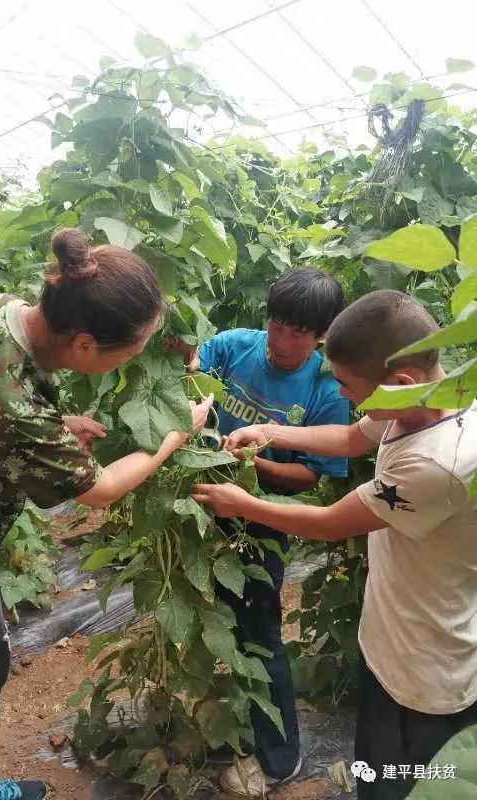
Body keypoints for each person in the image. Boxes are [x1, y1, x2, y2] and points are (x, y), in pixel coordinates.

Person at [0, 228, 213, 800]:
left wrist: (56, 428)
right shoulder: (14, 405)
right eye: (131, 351)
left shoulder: (0, 310)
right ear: (85, 344)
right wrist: (176, 433)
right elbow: (101, 491)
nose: (133, 358)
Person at [192, 290, 477, 800]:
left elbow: (328, 523)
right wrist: (268, 429)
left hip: (426, 667)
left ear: (400, 381)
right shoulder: (420, 398)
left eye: (347, 385)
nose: (341, 393)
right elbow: (350, 439)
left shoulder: (438, 463)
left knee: (411, 782)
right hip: (393, 635)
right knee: (375, 767)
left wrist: (242, 502)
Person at [168, 268, 349, 797]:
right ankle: (225, 725)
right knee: (202, 614)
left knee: (259, 631)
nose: (282, 342)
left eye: (299, 333)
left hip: (260, 522)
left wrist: (251, 463)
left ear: (321, 336)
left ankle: (279, 757)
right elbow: (191, 375)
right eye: (277, 325)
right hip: (197, 501)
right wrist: (182, 359)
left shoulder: (325, 390)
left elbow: (310, 476)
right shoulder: (233, 347)